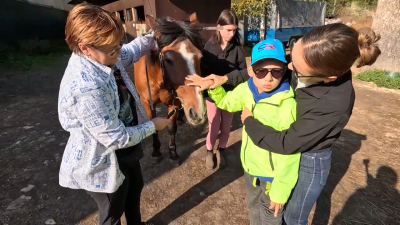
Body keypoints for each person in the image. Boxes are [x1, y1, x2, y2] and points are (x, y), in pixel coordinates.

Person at [188, 24, 381, 224]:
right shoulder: (304, 60)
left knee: (293, 218)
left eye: (294, 68)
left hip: (307, 155)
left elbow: (287, 145)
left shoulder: (331, 105)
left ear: (328, 77)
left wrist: (249, 121)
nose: (289, 68)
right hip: (265, 157)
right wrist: (222, 80)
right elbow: (259, 70)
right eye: (292, 57)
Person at [58, 3, 171, 225]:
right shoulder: (86, 88)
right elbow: (115, 138)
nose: (119, 52)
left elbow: (128, 52)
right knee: (113, 209)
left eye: (118, 45)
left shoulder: (103, 56)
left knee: (134, 187)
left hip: (126, 150)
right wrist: (152, 126)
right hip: (105, 158)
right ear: (85, 48)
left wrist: (153, 36)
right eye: (113, 50)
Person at [188, 39, 300, 225]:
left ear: (284, 70)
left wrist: (281, 190)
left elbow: (291, 152)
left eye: (276, 71)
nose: (268, 78)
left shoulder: (287, 104)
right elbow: (227, 102)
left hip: (272, 177)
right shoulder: (247, 89)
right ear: (250, 71)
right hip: (250, 169)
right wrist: (214, 88)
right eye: (261, 71)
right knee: (253, 207)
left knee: (270, 217)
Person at [200, 9, 247, 169]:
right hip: (212, 95)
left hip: (231, 95)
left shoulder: (237, 50)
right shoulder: (208, 47)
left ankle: (221, 150)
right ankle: (209, 151)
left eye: (234, 30)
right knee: (213, 125)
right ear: (219, 27)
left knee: (226, 127)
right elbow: (203, 72)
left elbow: (244, 73)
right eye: (228, 30)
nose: (232, 34)